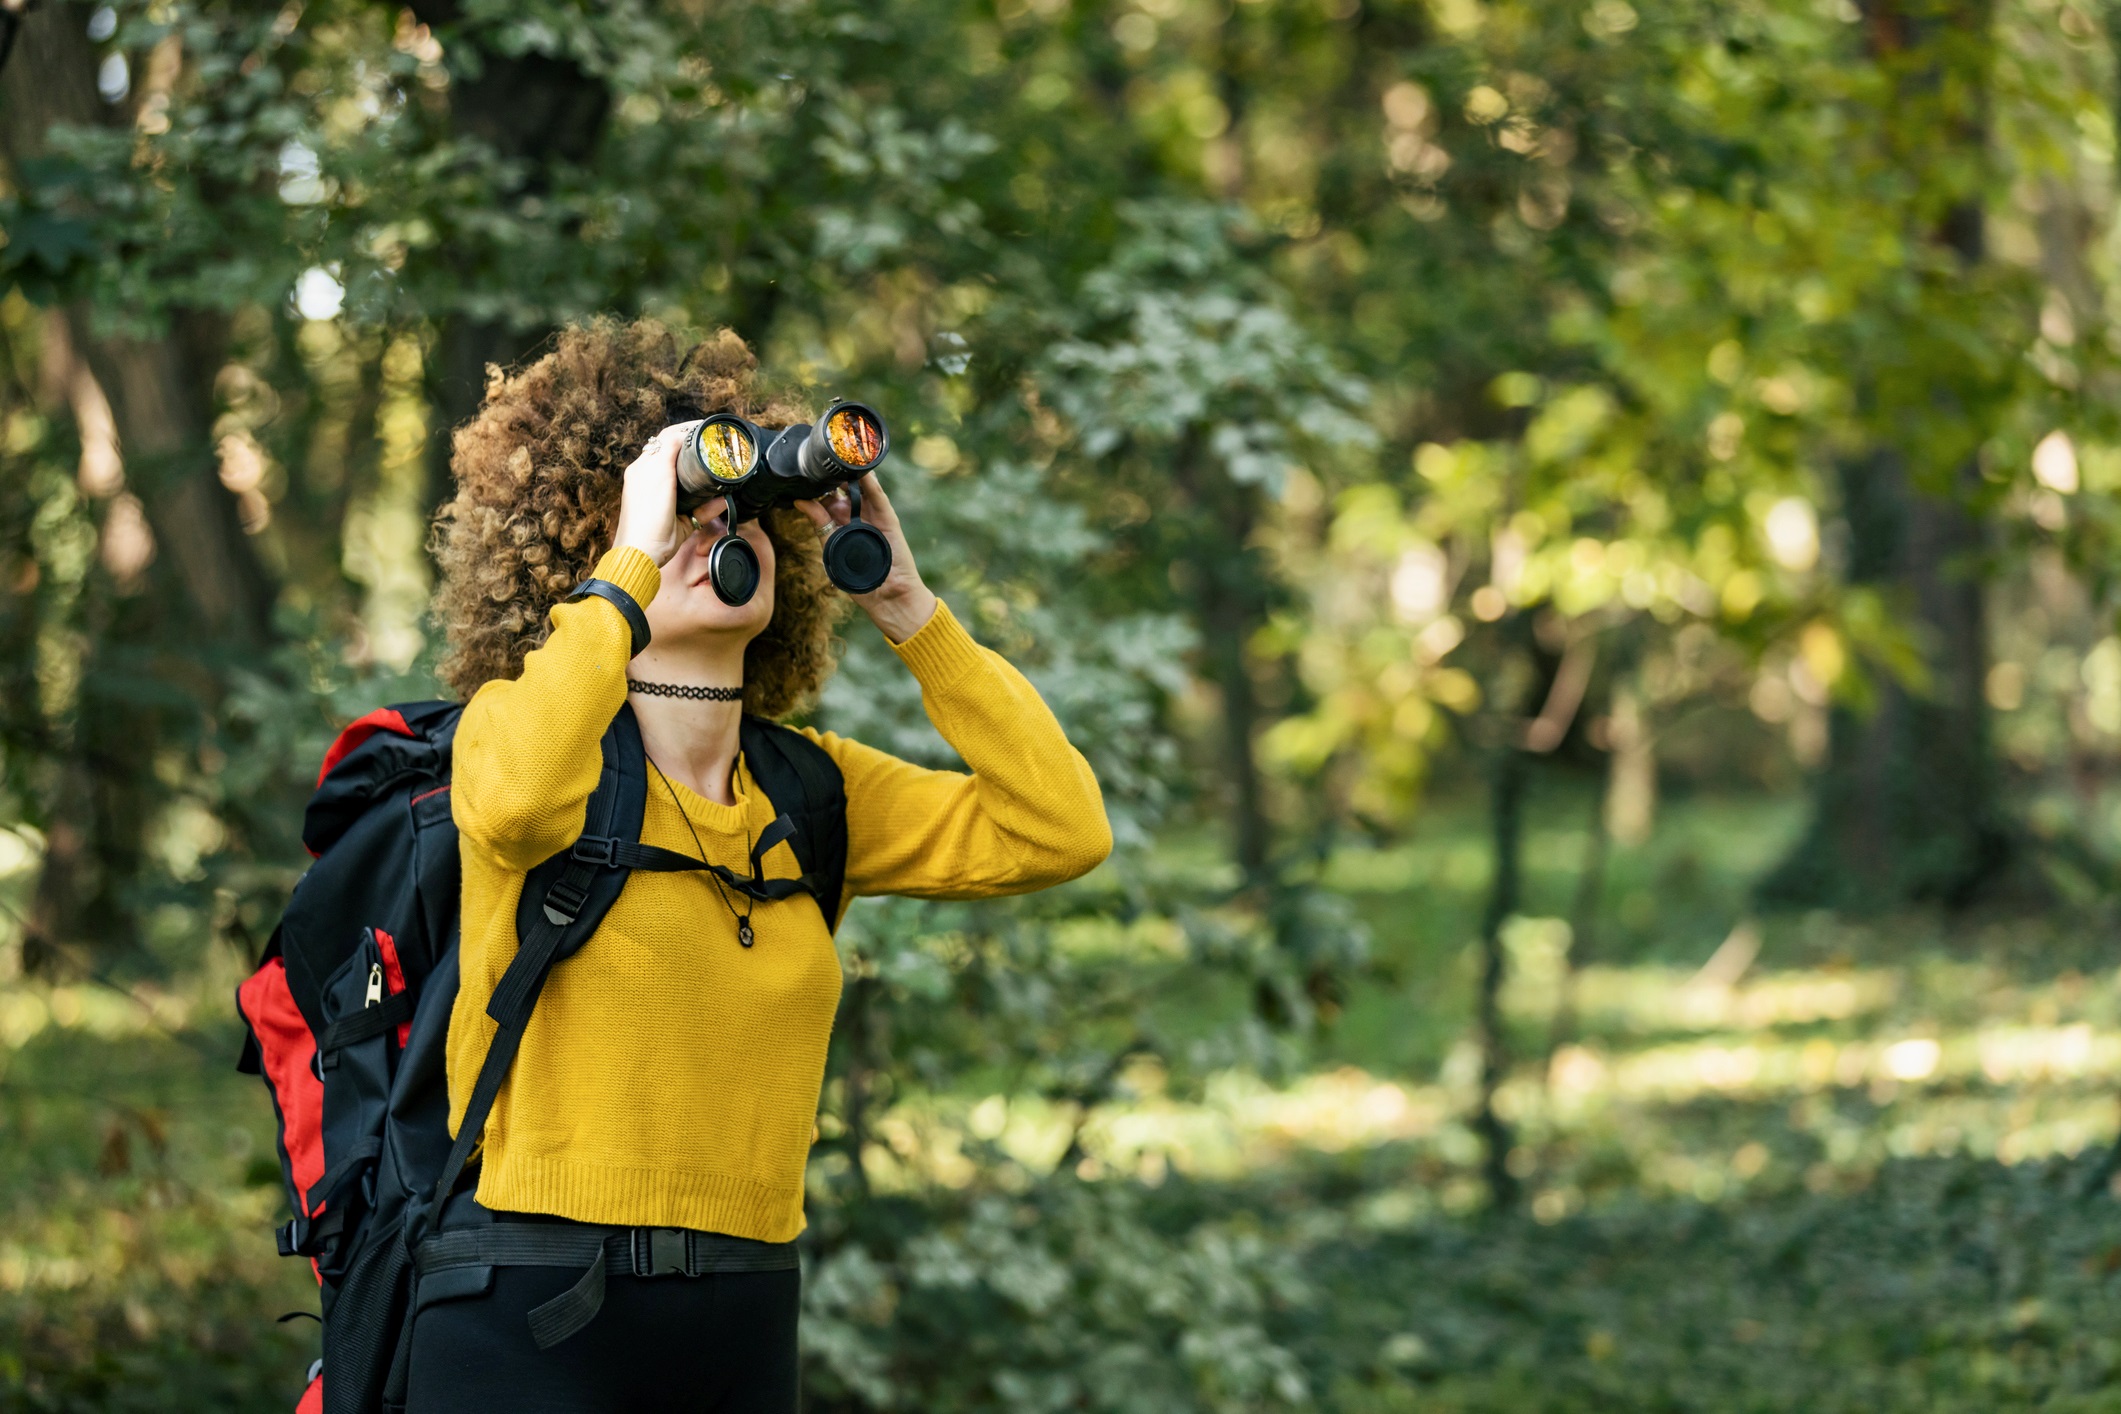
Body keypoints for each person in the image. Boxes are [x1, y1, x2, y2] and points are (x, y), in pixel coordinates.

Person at [410, 319, 1112, 1411]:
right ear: (592, 554)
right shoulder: (514, 738)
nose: (716, 535)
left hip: (743, 1309)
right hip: (526, 1301)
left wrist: (908, 608)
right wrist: (631, 559)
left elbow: (1058, 828)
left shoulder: (812, 791)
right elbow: (515, 803)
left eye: (737, 516)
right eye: (681, 518)